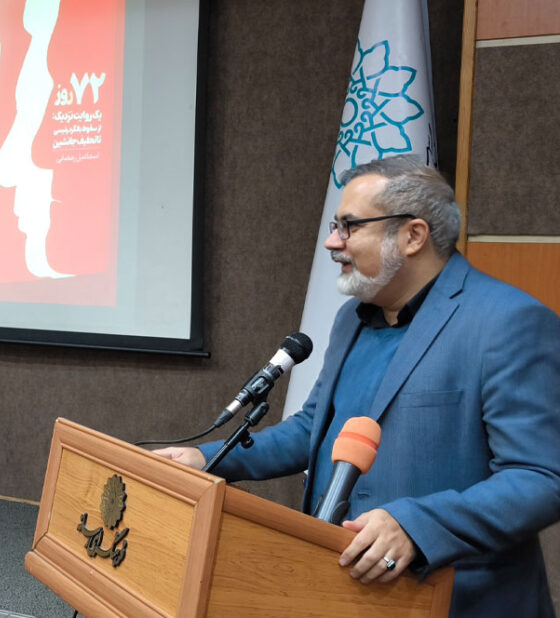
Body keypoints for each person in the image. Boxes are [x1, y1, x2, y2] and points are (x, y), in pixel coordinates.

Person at [155, 155, 560, 617]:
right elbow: (313, 429)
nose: (332, 241)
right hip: (342, 595)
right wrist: (207, 459)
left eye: (349, 226)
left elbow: (542, 478)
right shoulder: (352, 318)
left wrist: (416, 526)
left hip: (459, 602)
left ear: (413, 236)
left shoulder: (508, 322)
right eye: (336, 226)